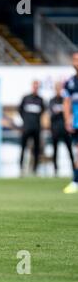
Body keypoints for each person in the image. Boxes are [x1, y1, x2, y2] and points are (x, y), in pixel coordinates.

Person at [18, 80, 45, 176]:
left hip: (36, 128)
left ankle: (35, 168)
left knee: (36, 149)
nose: (35, 87)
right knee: (23, 147)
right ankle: (21, 167)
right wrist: (26, 121)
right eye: (34, 85)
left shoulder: (40, 100)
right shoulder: (26, 98)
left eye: (37, 86)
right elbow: (20, 110)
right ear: (32, 86)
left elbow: (42, 111)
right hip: (26, 128)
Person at [49, 81, 74, 177]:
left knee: (70, 150)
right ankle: (55, 169)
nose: (58, 90)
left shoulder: (65, 100)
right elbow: (52, 113)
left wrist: (61, 110)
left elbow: (69, 112)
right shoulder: (52, 100)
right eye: (57, 88)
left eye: (60, 88)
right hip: (55, 130)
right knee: (55, 151)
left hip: (65, 130)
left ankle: (74, 169)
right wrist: (62, 110)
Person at [62, 51, 78, 194]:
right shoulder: (70, 82)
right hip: (76, 123)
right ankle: (75, 181)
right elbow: (66, 102)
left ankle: (75, 181)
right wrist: (67, 119)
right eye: (74, 59)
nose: (75, 62)